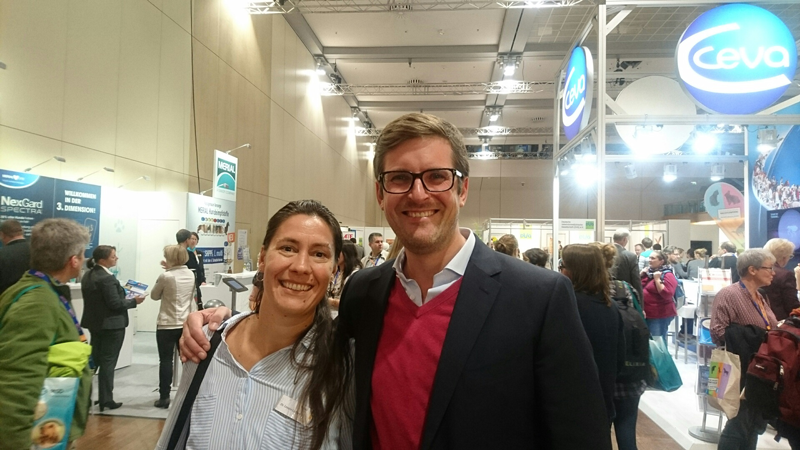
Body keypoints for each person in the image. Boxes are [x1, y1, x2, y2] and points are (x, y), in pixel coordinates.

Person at [181, 113, 611, 449]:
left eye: (437, 176)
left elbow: (581, 438)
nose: (418, 194)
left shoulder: (538, 297)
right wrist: (224, 323)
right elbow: (309, 345)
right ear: (380, 194)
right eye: (400, 179)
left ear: (462, 189)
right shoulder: (364, 292)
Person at [155, 200, 353, 450]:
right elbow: (172, 438)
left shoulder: (344, 365)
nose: (301, 267)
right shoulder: (206, 343)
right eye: (288, 248)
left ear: (333, 270)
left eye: (319, 254)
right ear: (262, 258)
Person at [0, 219, 93, 449]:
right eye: (82, 254)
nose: (83, 260)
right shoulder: (37, 302)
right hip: (33, 438)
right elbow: (18, 380)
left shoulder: (44, 291)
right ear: (73, 260)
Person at [710, 249, 778, 450]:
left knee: (754, 423)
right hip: (736, 368)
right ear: (752, 270)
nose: (773, 272)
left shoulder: (761, 296)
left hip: (759, 370)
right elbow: (718, 331)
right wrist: (758, 335)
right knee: (738, 422)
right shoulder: (729, 294)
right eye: (769, 268)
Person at [559, 244, 625, 426]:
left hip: (572, 406)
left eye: (562, 266)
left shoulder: (568, 305)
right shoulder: (610, 305)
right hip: (602, 400)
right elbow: (620, 357)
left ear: (574, 271)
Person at [81, 245, 145, 411]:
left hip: (95, 324)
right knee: (108, 363)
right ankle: (106, 399)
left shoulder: (88, 275)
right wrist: (134, 301)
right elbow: (115, 303)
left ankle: (86, 397)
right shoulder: (107, 278)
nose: (116, 258)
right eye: (113, 256)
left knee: (95, 361)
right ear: (103, 259)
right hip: (112, 325)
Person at [150, 244, 197, 409]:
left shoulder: (166, 276)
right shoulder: (191, 274)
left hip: (167, 323)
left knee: (165, 360)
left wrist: (167, 271)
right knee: (187, 361)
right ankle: (189, 394)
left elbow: (154, 295)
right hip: (185, 323)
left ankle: (164, 397)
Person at [641, 250, 677, 342]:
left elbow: (667, 294)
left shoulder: (667, 274)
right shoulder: (648, 273)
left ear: (661, 261)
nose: (649, 260)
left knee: (657, 343)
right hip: (647, 314)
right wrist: (640, 275)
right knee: (649, 343)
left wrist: (657, 280)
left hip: (659, 315)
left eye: (653, 258)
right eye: (649, 258)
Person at [762, 238, 799, 321]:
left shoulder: (757, 271)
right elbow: (792, 305)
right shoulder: (786, 275)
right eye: (790, 256)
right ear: (784, 257)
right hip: (781, 322)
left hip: (759, 319)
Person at [175, 229, 205, 310]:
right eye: (191, 239)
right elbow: (196, 271)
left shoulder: (172, 252)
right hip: (189, 287)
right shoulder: (189, 254)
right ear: (187, 240)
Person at [328, 241, 362, 311]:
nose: (335, 256)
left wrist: (331, 302)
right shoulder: (337, 271)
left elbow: (352, 303)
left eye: (338, 252)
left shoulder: (354, 275)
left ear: (347, 254)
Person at [612, 228, 644, 303]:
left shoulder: (602, 253)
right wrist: (640, 303)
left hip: (605, 294)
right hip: (624, 296)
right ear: (625, 239)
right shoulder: (630, 256)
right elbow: (636, 280)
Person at [0, 219, 31, 295]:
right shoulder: (37, 251)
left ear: (2, 234)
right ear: (22, 232)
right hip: (34, 297)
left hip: (8, 299)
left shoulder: (2, 254)